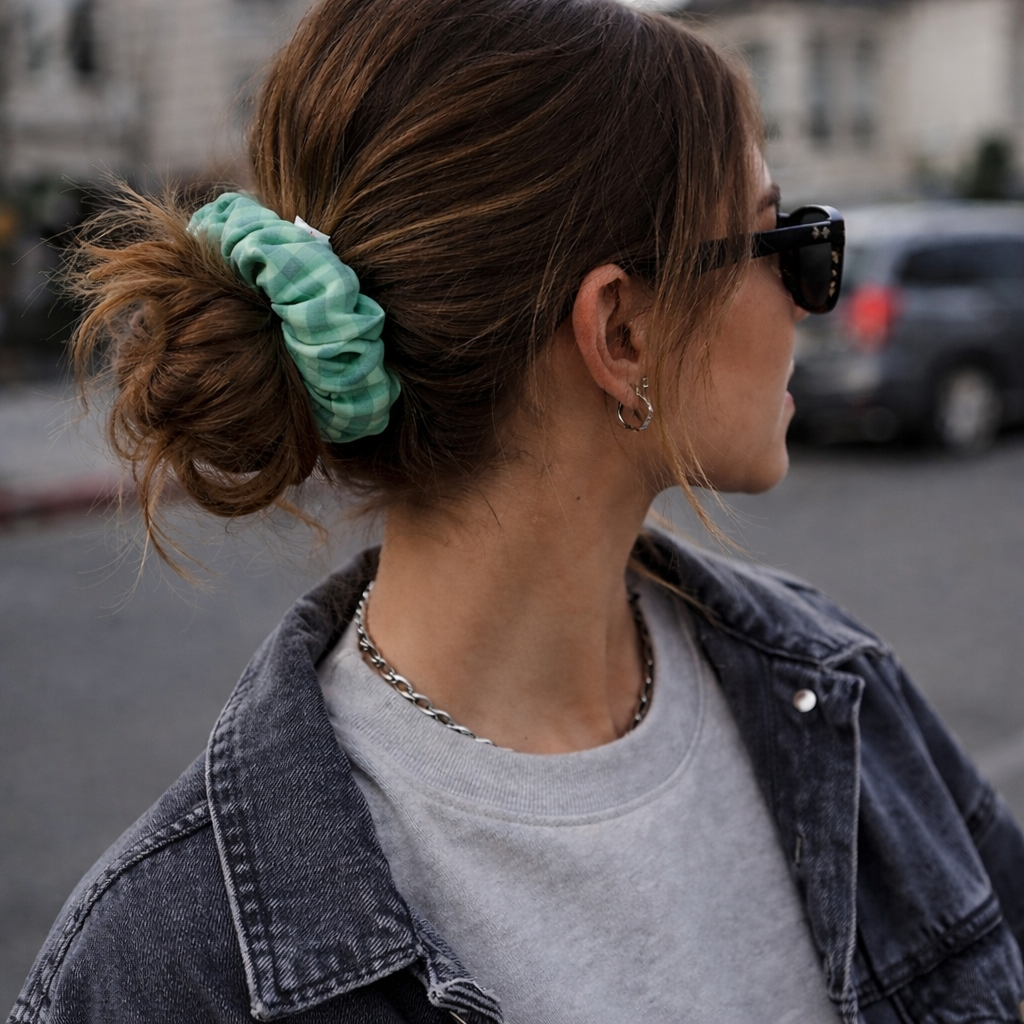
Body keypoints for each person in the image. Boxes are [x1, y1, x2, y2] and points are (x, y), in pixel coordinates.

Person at [10, 0, 1024, 1021]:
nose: (814, 294)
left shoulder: (843, 692)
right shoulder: (161, 965)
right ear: (619, 333)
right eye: (781, 239)